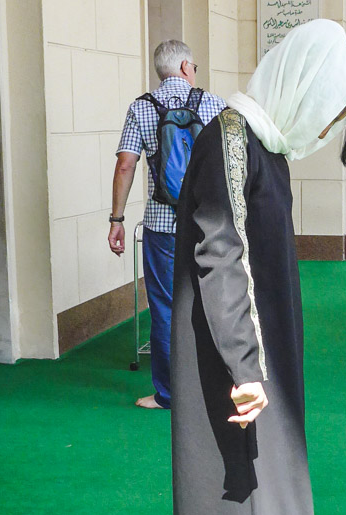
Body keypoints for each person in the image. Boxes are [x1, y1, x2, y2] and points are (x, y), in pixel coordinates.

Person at [166, 20, 346, 515]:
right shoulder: (227, 138)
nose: (323, 126)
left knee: (274, 499)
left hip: (264, 362)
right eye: (328, 106)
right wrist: (246, 368)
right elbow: (220, 252)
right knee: (238, 508)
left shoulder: (264, 144)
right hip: (234, 370)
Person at [108, 40, 226, 409]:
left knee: (164, 307)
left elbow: (125, 164)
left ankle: (168, 395)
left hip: (162, 226)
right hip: (208, 223)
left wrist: (117, 219)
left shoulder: (141, 108)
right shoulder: (214, 105)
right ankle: (218, 390)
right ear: (187, 67)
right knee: (215, 302)